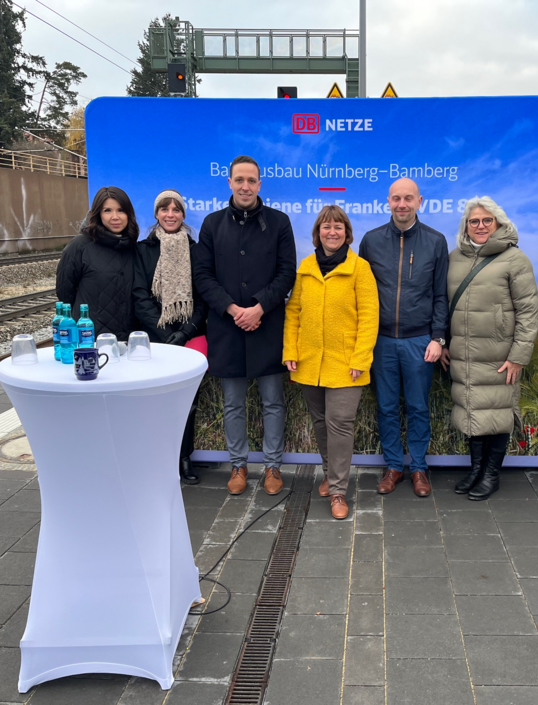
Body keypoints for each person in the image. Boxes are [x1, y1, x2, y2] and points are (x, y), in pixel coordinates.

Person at [194, 156, 296, 496]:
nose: (245, 186)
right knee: (233, 403)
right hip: (227, 327)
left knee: (272, 401)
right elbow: (203, 277)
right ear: (229, 182)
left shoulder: (279, 223)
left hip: (267, 326)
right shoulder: (211, 225)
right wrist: (233, 309)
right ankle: (238, 465)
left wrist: (259, 308)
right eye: (239, 180)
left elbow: (286, 274)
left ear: (260, 184)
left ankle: (272, 467)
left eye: (251, 180)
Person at [283, 206, 379, 519]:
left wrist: (361, 358)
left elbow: (369, 317)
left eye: (338, 227)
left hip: (346, 363)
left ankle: (338, 491)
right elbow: (294, 311)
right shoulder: (306, 267)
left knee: (340, 424)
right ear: (318, 232)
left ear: (347, 232)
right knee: (321, 422)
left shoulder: (359, 268)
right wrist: (291, 352)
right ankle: (329, 473)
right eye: (326, 227)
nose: (332, 232)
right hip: (310, 361)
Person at [442, 197, 538, 500]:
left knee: (497, 411)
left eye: (487, 221)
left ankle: (491, 474)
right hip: (464, 353)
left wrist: (518, 357)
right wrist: (443, 342)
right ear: (466, 226)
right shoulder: (454, 257)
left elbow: (528, 312)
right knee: (472, 408)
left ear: (499, 223)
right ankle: (475, 470)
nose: (481, 226)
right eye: (474, 221)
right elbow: (443, 305)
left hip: (500, 354)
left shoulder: (515, 259)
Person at [359, 178, 449, 497]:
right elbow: (362, 293)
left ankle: (420, 468)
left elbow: (440, 294)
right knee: (385, 406)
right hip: (380, 340)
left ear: (419, 201)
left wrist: (438, 337)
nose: (402, 204)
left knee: (417, 406)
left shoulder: (436, 242)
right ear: (387, 201)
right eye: (396, 198)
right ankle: (394, 465)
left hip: (419, 340)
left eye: (408, 198)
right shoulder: (370, 241)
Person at [132, 189, 209, 486]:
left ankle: (185, 458)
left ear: (183, 215)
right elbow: (140, 296)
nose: (170, 215)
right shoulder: (144, 249)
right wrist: (165, 333)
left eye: (176, 210)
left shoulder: (197, 249)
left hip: (192, 335)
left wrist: (186, 331)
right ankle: (160, 461)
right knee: (157, 401)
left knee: (188, 402)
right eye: (165, 209)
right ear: (156, 214)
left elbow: (203, 295)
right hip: (156, 338)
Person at [57, 186, 139, 341]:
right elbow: (65, 293)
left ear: (129, 214)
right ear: (98, 214)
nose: (115, 217)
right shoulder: (79, 246)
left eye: (121, 210)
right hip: (90, 339)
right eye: (107, 210)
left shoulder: (133, 247)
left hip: (128, 339)